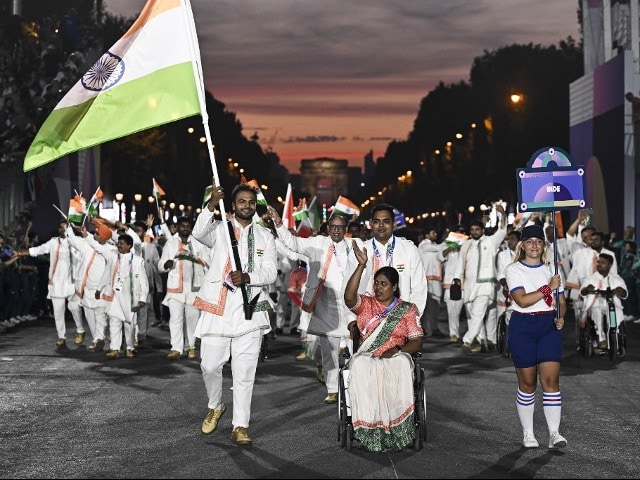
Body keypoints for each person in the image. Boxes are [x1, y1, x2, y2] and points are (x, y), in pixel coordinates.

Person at [192, 182, 277, 446]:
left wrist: (249, 277)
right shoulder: (219, 230)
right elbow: (198, 233)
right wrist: (209, 205)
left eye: (251, 202)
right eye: (242, 201)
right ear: (233, 205)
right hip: (217, 310)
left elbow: (271, 272)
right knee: (209, 364)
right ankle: (216, 405)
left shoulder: (265, 236)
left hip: (249, 312)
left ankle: (240, 425)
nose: (247, 206)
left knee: (244, 372)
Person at [268, 207, 356, 404]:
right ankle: (333, 389)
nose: (336, 230)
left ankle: (352, 386)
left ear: (346, 229)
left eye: (340, 227)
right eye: (332, 227)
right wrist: (279, 224)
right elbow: (293, 242)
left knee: (354, 350)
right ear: (327, 228)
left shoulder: (354, 244)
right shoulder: (318, 243)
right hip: (325, 303)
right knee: (329, 351)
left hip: (351, 305)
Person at [343, 241, 424, 452]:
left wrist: (397, 351)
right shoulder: (367, 304)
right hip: (368, 354)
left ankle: (397, 427)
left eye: (384, 284)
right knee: (360, 365)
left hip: (395, 355)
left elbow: (417, 341)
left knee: (400, 365)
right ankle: (369, 426)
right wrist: (361, 266)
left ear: (395, 287)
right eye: (376, 283)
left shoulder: (407, 309)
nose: (378, 287)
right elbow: (349, 298)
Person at [504, 224, 567, 450]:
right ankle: (528, 434)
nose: (534, 245)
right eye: (529, 241)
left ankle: (554, 434)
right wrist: (549, 287)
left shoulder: (553, 269)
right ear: (522, 245)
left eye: (538, 241)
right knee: (528, 383)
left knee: (551, 381)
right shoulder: (513, 270)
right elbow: (522, 300)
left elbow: (561, 301)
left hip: (548, 325)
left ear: (543, 246)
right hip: (523, 325)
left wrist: (561, 317)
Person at [344, 204, 427, 333]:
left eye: (386, 222)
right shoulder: (360, 251)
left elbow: (419, 287)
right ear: (371, 224)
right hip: (366, 323)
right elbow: (348, 286)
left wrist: (412, 319)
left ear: (394, 224)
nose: (381, 226)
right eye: (377, 222)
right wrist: (351, 320)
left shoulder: (409, 249)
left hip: (400, 321)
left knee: (398, 354)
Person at [15, 220, 86, 347]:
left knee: (75, 308)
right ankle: (61, 337)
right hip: (56, 282)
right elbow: (38, 250)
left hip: (72, 282)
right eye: (61, 228)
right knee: (58, 311)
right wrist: (20, 253)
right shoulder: (53, 242)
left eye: (65, 228)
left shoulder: (78, 242)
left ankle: (80, 330)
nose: (62, 230)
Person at [452, 204, 506, 352]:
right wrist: (456, 278)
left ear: (482, 230)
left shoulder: (490, 241)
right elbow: (460, 263)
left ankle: (467, 341)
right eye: (472, 230)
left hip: (486, 285)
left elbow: (502, 231)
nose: (475, 232)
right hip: (469, 286)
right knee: (473, 316)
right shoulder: (466, 244)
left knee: (477, 313)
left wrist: (502, 215)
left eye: (477, 229)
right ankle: (483, 342)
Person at [89, 233, 149, 359]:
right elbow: (106, 274)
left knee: (129, 325)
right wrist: (99, 289)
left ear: (129, 245)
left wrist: (143, 298)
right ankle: (114, 348)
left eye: (122, 243)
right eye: (118, 243)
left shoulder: (138, 261)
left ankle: (129, 348)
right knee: (114, 322)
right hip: (115, 296)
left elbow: (143, 281)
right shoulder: (113, 258)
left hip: (130, 298)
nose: (119, 245)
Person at [158, 216, 208, 360]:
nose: (185, 228)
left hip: (194, 289)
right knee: (175, 319)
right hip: (175, 289)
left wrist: (195, 257)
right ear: (177, 227)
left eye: (188, 226)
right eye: (182, 226)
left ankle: (191, 347)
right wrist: (166, 265)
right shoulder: (170, 244)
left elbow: (207, 263)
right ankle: (176, 348)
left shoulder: (198, 244)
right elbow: (161, 264)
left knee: (193, 319)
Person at [579, 253, 627, 353]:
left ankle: (614, 342)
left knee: (614, 315)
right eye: (598, 262)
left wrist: (621, 291)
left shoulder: (616, 278)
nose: (599, 264)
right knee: (597, 311)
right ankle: (601, 339)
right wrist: (587, 289)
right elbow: (582, 292)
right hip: (596, 304)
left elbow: (624, 293)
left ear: (610, 265)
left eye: (603, 263)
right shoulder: (591, 278)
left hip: (612, 305)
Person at [418, 225, 446, 337]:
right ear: (427, 235)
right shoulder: (424, 245)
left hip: (436, 279)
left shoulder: (435, 246)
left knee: (436, 305)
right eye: (433, 232)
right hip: (426, 279)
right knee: (425, 306)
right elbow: (440, 248)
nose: (435, 234)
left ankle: (434, 328)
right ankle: (422, 328)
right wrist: (449, 241)